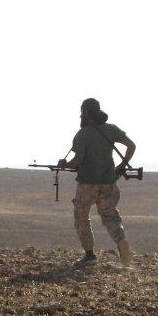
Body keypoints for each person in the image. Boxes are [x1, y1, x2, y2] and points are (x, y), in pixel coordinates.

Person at [57, 98, 136, 266]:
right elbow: (131, 146)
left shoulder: (83, 134)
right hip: (109, 182)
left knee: (81, 215)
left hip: (87, 184)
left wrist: (65, 164)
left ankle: (89, 254)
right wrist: (122, 165)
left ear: (86, 114)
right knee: (110, 216)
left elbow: (77, 161)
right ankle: (121, 242)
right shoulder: (111, 130)